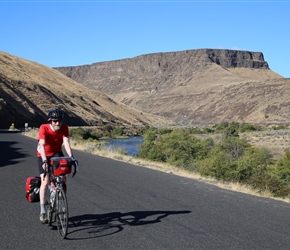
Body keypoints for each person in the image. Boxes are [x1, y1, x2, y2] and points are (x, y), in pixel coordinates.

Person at [37, 107, 76, 224]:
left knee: (63, 178)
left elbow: (66, 143)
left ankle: (60, 199)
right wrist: (44, 161)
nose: (57, 123)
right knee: (45, 180)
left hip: (57, 153)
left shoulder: (64, 128)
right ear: (50, 120)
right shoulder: (43, 128)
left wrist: (71, 157)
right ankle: (43, 211)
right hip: (43, 154)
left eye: (59, 120)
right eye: (54, 121)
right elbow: (42, 145)